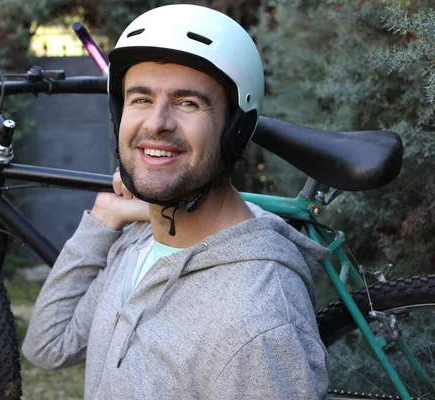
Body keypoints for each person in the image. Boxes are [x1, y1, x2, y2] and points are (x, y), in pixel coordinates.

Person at [23, 4, 330, 399]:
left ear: (235, 130)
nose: (156, 123)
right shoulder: (139, 242)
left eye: (188, 102)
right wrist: (103, 219)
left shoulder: (255, 322)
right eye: (140, 99)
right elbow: (47, 346)